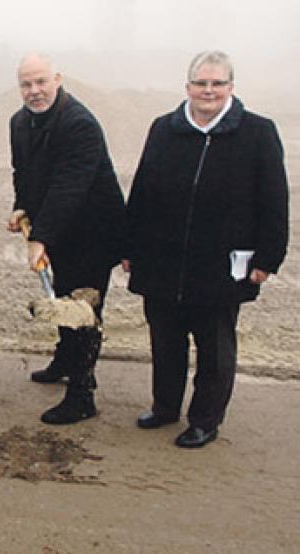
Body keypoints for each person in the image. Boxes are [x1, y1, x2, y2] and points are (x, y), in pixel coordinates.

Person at [123, 51, 289, 448]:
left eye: (217, 83)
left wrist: (269, 257)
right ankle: (164, 407)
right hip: (162, 259)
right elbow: (142, 191)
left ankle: (204, 420)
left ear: (231, 87)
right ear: (188, 87)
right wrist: (129, 245)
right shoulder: (164, 128)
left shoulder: (258, 132)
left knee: (214, 347)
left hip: (219, 263)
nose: (208, 91)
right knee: (165, 340)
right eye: (201, 83)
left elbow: (274, 200)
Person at [6, 53, 125, 424]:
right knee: (59, 294)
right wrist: (22, 207)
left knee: (83, 308)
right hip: (60, 229)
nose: (34, 91)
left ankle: (82, 393)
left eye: (41, 82)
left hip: (95, 230)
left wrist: (39, 238)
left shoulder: (80, 124)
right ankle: (63, 360)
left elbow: (69, 186)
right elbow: (23, 172)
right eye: (26, 84)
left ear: (57, 79)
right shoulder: (19, 122)